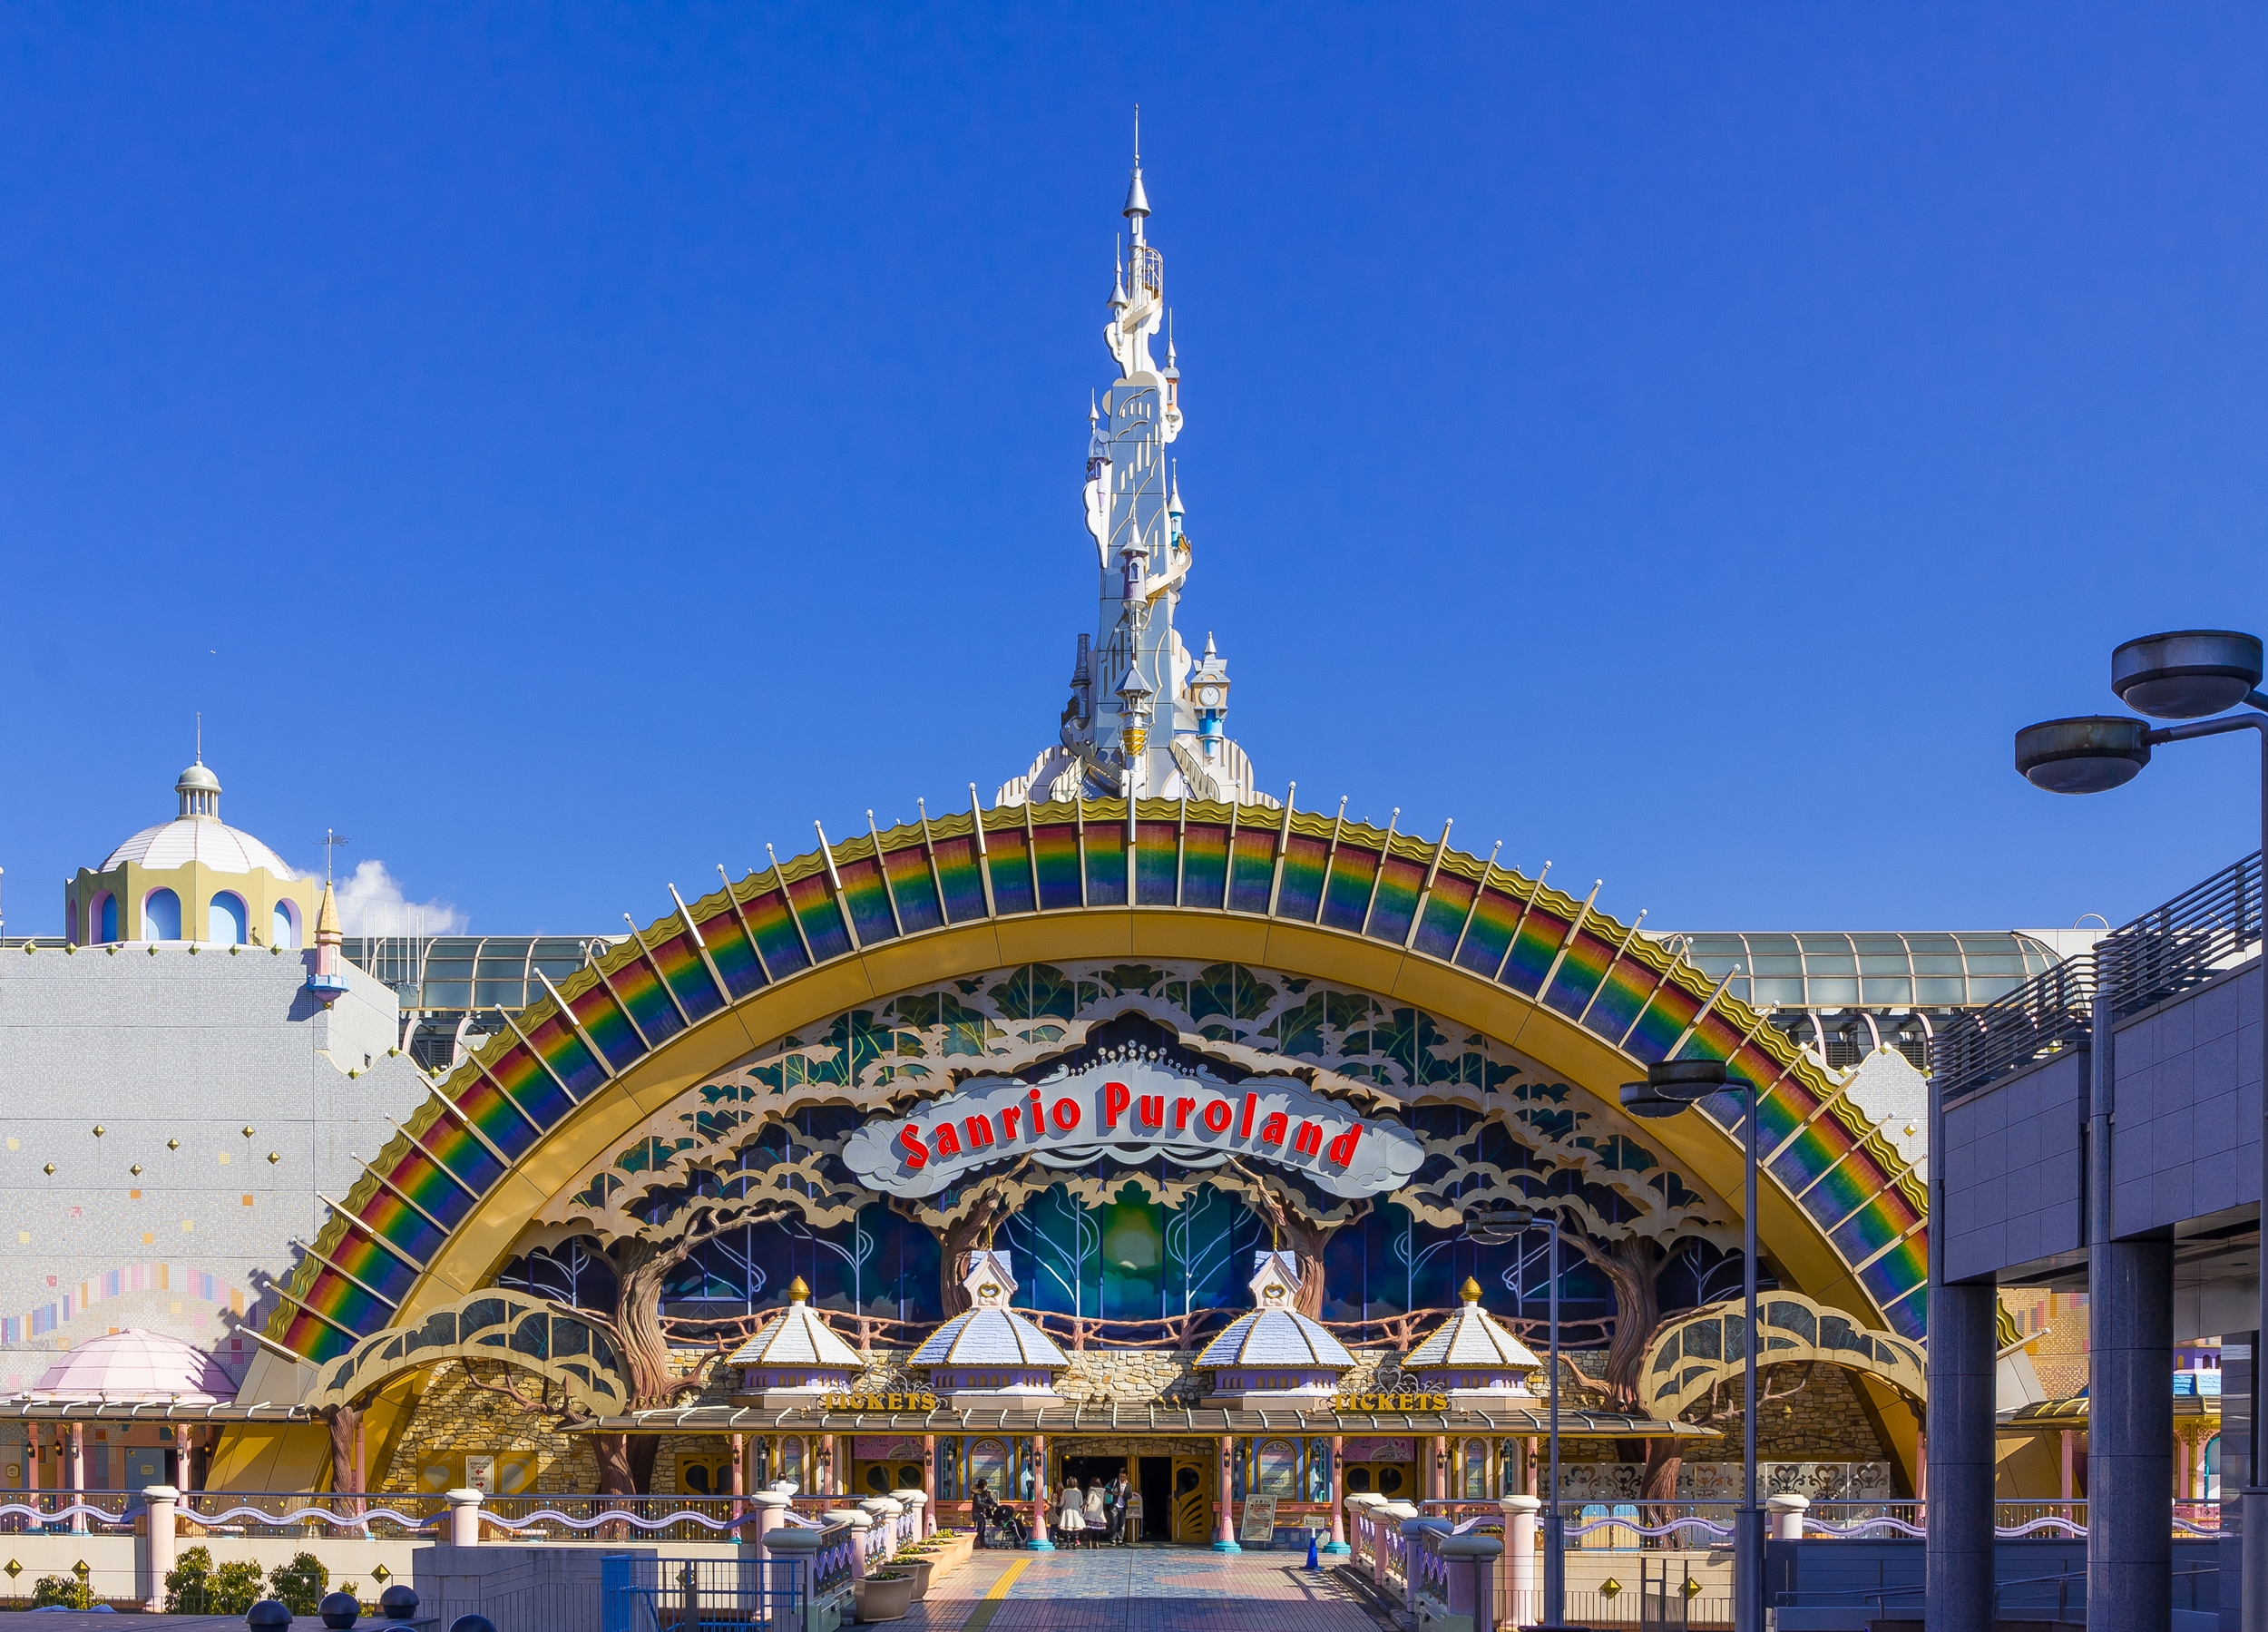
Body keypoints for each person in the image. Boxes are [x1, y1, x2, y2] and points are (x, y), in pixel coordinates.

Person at [1058, 1478, 1087, 1549]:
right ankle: (1075, 1542)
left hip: (1067, 1511)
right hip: (1076, 1511)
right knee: (1076, 1528)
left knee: (1068, 1528)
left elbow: (1062, 1503)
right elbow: (1081, 1503)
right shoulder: (1079, 1492)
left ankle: (1068, 1543)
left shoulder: (1065, 1491)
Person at [1084, 1475, 1106, 1544]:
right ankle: (1097, 1543)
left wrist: (1085, 1501)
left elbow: (1088, 1501)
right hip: (1099, 1511)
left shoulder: (1092, 1490)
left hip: (1091, 1511)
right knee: (1097, 1529)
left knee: (1090, 1529)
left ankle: (1090, 1543)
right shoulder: (1102, 1491)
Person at [1121, 1479, 1144, 1546]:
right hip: (1123, 1506)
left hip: (1125, 1506)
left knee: (1121, 1524)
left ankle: (1120, 1539)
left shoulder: (1129, 1485)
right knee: (1119, 1524)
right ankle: (1119, 1539)